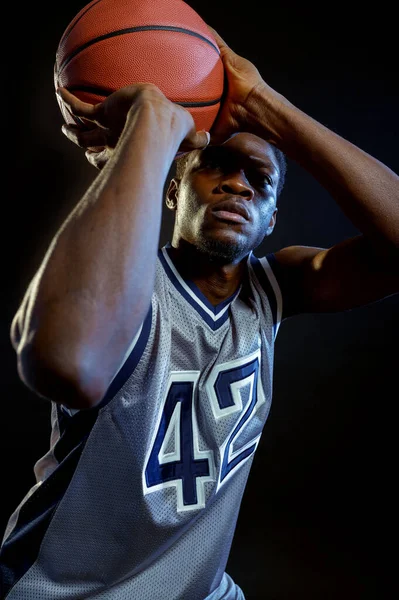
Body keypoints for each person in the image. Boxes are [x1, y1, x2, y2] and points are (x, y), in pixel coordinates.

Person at [1, 23, 398, 600]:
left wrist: (265, 104)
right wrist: (152, 125)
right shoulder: (122, 278)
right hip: (70, 590)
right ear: (172, 188)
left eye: (259, 181)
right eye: (216, 166)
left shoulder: (275, 288)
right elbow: (68, 361)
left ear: (271, 220)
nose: (237, 185)